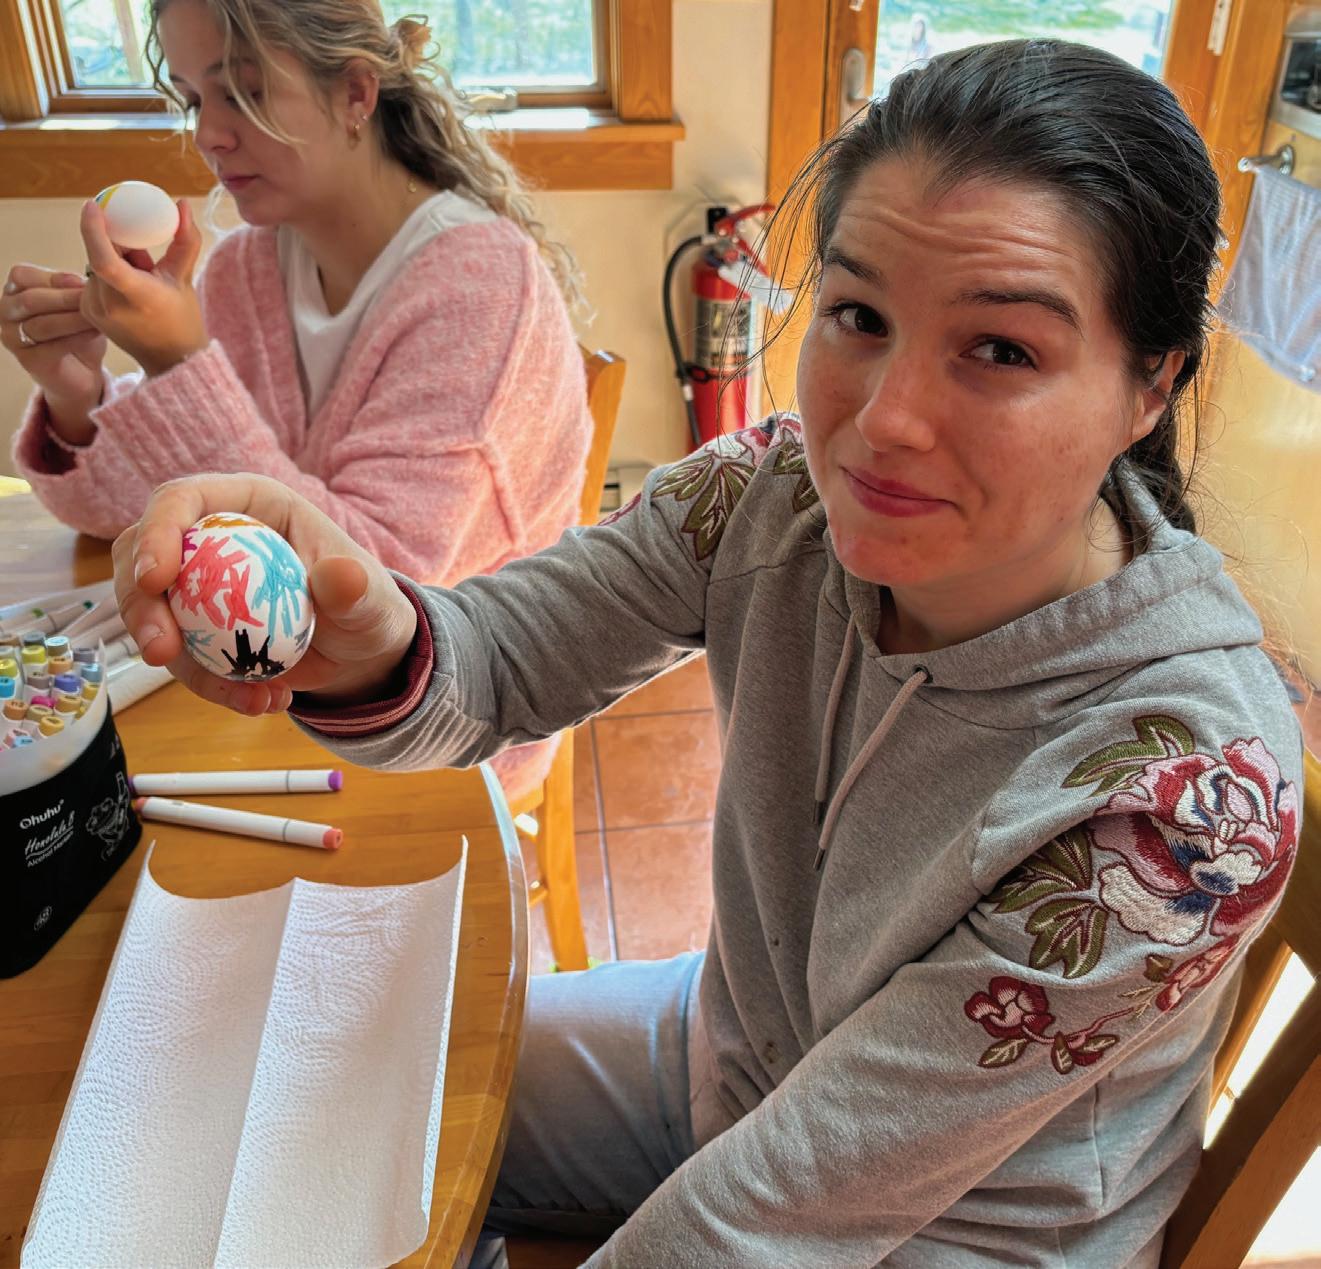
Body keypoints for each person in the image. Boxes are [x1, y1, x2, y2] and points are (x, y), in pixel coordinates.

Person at [112, 40, 1302, 1268]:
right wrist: (375, 640)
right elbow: (495, 664)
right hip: (728, 1058)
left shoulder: (1186, 801)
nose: (883, 421)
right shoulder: (767, 500)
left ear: (1149, 386)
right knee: (317, 1107)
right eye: (858, 316)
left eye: (1000, 350)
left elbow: (782, 1211)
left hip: (959, 1230)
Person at [0, 0, 590, 590]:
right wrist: (75, 394)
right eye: (194, 100)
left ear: (356, 92)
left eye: (245, 93)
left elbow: (373, 588)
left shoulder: (481, 290)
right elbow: (134, 510)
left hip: (459, 646)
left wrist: (176, 364)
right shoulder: (244, 271)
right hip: (267, 642)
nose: (207, 136)